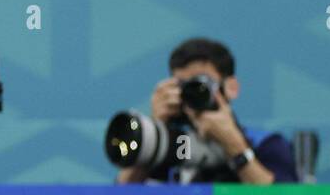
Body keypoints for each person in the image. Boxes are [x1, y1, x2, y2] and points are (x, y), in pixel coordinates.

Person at [117, 37, 297, 185]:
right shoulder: (175, 145)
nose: (191, 94)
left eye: (201, 85)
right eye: (182, 86)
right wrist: (153, 131)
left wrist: (234, 146)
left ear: (231, 88)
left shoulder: (264, 144)